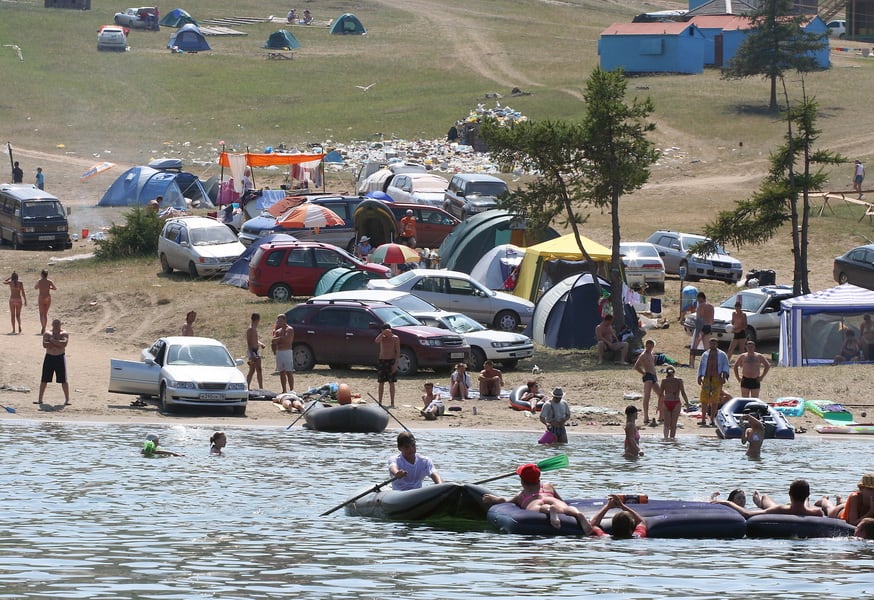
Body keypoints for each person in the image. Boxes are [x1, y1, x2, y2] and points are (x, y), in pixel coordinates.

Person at [482, 463, 595, 533]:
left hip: (533, 501)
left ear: (522, 482)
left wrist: (494, 499)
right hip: (551, 498)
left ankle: (549, 510)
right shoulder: (548, 486)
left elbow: (505, 501)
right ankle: (578, 515)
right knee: (566, 508)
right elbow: (562, 501)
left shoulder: (522, 495)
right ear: (539, 480)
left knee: (540, 508)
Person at [715, 479, 823, 518]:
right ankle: (761, 500)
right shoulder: (817, 512)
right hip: (802, 507)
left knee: (766, 497)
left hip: (786, 509)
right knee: (805, 504)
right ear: (808, 494)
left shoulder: (780, 509)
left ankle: (760, 502)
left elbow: (747, 514)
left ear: (789, 494)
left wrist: (727, 503)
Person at [697, 338, 729, 427]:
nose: (712, 345)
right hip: (706, 378)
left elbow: (725, 366)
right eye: (711, 343)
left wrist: (724, 377)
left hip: (717, 379)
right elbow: (701, 365)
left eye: (714, 343)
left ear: (717, 344)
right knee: (704, 399)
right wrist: (699, 376)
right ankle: (703, 419)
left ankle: (712, 419)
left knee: (715, 400)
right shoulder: (705, 354)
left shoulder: (722, 354)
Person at [38, 319, 70, 406]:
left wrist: (52, 341)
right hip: (49, 357)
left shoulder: (64, 333)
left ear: (60, 324)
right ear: (52, 324)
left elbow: (64, 344)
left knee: (63, 380)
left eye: (57, 324)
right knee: (44, 379)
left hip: (60, 357)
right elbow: (45, 345)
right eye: (54, 324)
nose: (56, 325)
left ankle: (67, 400)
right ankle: (40, 399)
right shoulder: (47, 333)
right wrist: (58, 343)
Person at [657, 366, 688, 440]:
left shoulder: (664, 381)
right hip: (676, 402)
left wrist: (659, 405)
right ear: (674, 372)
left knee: (666, 424)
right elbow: (683, 393)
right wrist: (687, 403)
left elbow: (661, 394)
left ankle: (665, 440)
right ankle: (672, 440)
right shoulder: (679, 380)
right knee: (673, 425)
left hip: (666, 402)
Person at [633, 338, 659, 425]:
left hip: (654, 376)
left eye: (651, 346)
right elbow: (636, 366)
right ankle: (646, 417)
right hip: (648, 376)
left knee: (661, 395)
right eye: (647, 346)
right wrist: (643, 373)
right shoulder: (643, 355)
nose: (649, 348)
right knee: (647, 396)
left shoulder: (652, 354)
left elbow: (652, 366)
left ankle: (661, 415)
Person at [375, 323, 400, 407]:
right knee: (381, 382)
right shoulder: (382, 337)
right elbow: (376, 341)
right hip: (382, 361)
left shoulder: (395, 338)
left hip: (391, 361)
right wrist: (382, 333)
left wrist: (395, 364)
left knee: (391, 382)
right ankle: (380, 402)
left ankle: (392, 402)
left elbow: (397, 352)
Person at [689, 292, 714, 367]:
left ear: (700, 298)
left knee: (694, 346)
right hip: (708, 326)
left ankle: (692, 363)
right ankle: (708, 364)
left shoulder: (700, 306)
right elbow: (712, 319)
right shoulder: (711, 306)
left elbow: (699, 318)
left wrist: (698, 330)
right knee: (707, 348)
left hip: (701, 326)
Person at [273, 314, 295, 394]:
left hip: (287, 352)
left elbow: (287, 340)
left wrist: (279, 339)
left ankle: (291, 390)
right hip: (279, 352)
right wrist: (281, 339)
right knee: (281, 372)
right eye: (278, 320)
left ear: (284, 320)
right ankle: (284, 390)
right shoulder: (278, 331)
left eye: (280, 320)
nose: (278, 322)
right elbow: (273, 341)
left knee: (289, 371)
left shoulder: (289, 329)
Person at [246, 312, 266, 389]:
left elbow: (255, 339)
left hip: (256, 350)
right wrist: (252, 354)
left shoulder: (254, 328)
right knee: (252, 370)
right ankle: (247, 387)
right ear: (257, 320)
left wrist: (260, 344)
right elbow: (249, 342)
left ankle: (261, 387)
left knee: (258, 369)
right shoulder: (250, 329)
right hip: (252, 351)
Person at [34, 269, 56, 335]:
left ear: (42, 274)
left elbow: (35, 287)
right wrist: (49, 288)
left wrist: (40, 287)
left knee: (41, 314)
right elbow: (55, 288)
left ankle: (43, 327)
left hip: (41, 297)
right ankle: (44, 327)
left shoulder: (39, 281)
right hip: (48, 297)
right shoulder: (49, 281)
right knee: (45, 314)